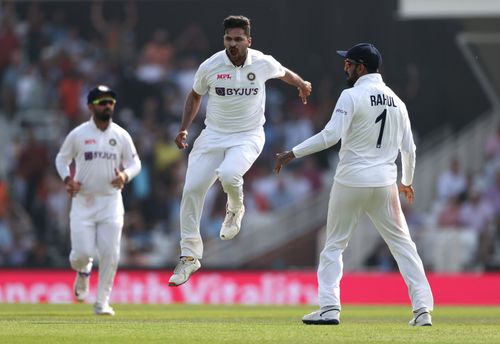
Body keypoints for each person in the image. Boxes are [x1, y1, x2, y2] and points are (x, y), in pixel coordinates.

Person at [275, 43, 433, 326]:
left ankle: (329, 307)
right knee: (404, 246)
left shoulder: (351, 95)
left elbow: (330, 136)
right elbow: (409, 150)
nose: (344, 67)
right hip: (385, 184)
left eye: (348, 63)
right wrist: (406, 181)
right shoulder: (398, 102)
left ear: (361, 67)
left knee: (334, 245)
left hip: (351, 180)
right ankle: (423, 310)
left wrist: (292, 153)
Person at [168, 15, 312, 287]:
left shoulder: (261, 61)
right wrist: (184, 128)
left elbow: (284, 73)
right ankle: (189, 256)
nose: (232, 44)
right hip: (212, 136)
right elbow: (195, 95)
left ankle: (235, 209)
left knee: (229, 174)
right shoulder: (210, 65)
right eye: (228, 39)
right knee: (192, 190)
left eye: (237, 39)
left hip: (248, 136)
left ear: (248, 40)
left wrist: (302, 84)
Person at [55, 85, 141, 315]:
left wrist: (125, 175)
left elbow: (135, 163)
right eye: (102, 102)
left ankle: (102, 302)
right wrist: (66, 179)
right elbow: (61, 159)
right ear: (91, 106)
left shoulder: (121, 135)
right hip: (83, 201)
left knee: (110, 254)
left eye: (110, 102)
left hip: (111, 202)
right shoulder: (79, 134)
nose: (107, 105)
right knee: (81, 254)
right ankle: (83, 271)